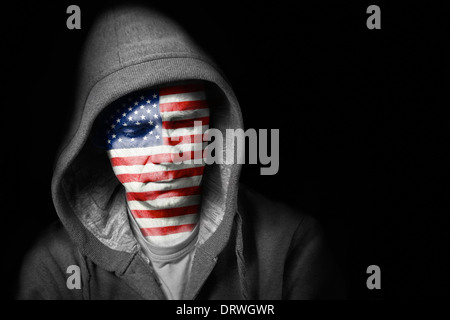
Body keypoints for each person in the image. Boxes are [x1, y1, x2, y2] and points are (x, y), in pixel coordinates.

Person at [16, 4, 345, 300]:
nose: (166, 153)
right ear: (100, 142)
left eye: (185, 123)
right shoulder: (56, 268)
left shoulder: (291, 244)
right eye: (137, 131)